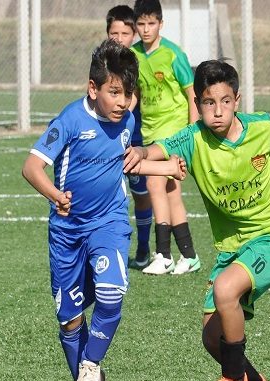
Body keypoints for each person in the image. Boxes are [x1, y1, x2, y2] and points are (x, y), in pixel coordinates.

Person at [125, 59, 270, 381]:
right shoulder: (193, 139)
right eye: (209, 103)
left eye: (225, 101)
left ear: (237, 99)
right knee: (212, 337)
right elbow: (156, 149)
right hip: (232, 246)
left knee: (225, 291)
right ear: (199, 104)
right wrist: (140, 154)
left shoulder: (263, 127)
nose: (217, 111)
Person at [21, 39, 186, 381]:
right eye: (114, 92)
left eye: (128, 94)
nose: (123, 102)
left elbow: (126, 164)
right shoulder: (70, 120)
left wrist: (165, 167)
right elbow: (31, 167)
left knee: (112, 295)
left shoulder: (128, 121)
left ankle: (91, 367)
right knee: (69, 321)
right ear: (92, 89)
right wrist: (55, 195)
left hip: (109, 223)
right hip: (67, 232)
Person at [131, 0, 201, 275]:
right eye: (141, 24)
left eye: (151, 23)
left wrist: (193, 131)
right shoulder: (135, 54)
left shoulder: (173, 54)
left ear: (161, 23)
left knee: (154, 184)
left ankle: (163, 254)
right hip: (150, 131)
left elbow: (191, 94)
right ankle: (190, 255)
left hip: (174, 131)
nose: (146, 29)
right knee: (171, 192)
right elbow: (136, 93)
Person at [106, 5, 154, 269]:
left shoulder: (134, 61)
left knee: (141, 193)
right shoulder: (101, 63)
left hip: (134, 138)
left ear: (133, 34)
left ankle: (144, 248)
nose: (119, 38)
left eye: (125, 33)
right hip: (106, 138)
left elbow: (134, 97)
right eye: (114, 33)